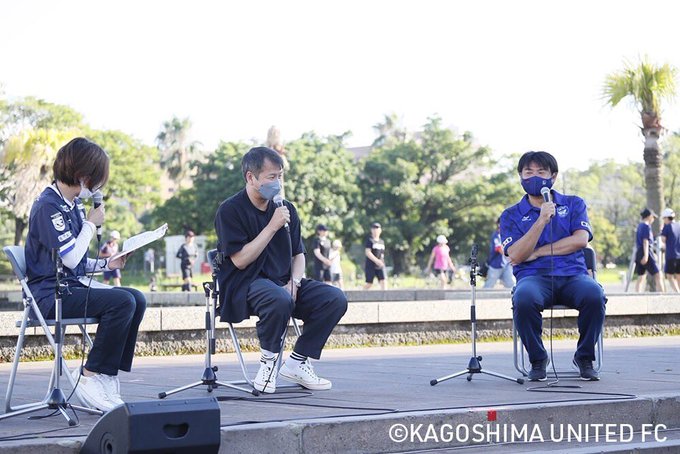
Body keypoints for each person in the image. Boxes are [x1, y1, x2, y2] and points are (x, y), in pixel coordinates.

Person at [25, 137, 146, 411]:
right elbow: (70, 257)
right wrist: (90, 226)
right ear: (82, 175)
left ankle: (106, 375)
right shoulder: (48, 206)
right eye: (97, 180)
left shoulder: (74, 206)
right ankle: (90, 375)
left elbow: (77, 262)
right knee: (122, 302)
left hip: (72, 287)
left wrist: (108, 265)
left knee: (137, 298)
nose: (98, 187)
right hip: (50, 296)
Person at [214, 146, 347, 394]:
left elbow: (299, 254)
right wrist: (272, 226)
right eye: (271, 177)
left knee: (334, 298)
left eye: (280, 176)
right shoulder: (230, 210)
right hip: (246, 284)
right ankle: (268, 363)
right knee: (278, 298)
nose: (277, 183)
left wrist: (295, 282)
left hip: (284, 282)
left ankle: (297, 361)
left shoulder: (286, 208)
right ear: (251, 177)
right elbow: (240, 260)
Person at [500, 151, 605, 382]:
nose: (534, 177)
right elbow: (516, 254)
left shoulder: (573, 203)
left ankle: (584, 358)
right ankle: (538, 359)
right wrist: (541, 220)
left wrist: (537, 251)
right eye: (528, 172)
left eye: (541, 172)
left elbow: (580, 240)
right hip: (533, 278)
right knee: (523, 298)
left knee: (594, 294)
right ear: (520, 176)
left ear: (553, 176)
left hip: (573, 275)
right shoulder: (510, 215)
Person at [635, 208, 664, 293]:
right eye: (653, 217)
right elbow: (645, 241)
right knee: (658, 274)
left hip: (639, 251)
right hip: (646, 251)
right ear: (649, 216)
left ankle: (637, 295)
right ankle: (662, 295)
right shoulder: (646, 226)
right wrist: (646, 256)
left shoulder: (640, 225)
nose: (653, 219)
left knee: (641, 276)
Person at [484, 218, 515, 289]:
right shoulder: (496, 235)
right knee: (489, 286)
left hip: (506, 265)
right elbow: (499, 249)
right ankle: (482, 296)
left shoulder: (507, 235)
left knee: (511, 285)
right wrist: (510, 257)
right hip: (496, 265)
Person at [660, 208, 680, 293]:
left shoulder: (667, 227)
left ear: (666, 218)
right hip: (679, 255)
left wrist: (662, 231)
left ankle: (677, 292)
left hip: (671, 255)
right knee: (678, 275)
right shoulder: (679, 225)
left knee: (669, 276)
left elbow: (663, 239)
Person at [364, 222, 387, 290]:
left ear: (380, 230)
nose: (375, 230)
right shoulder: (370, 240)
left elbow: (382, 254)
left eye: (377, 228)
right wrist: (376, 261)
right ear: (371, 230)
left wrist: (381, 262)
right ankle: (359, 294)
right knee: (369, 283)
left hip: (380, 265)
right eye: (374, 228)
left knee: (383, 281)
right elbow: (368, 252)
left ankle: (384, 296)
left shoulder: (381, 241)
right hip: (371, 265)